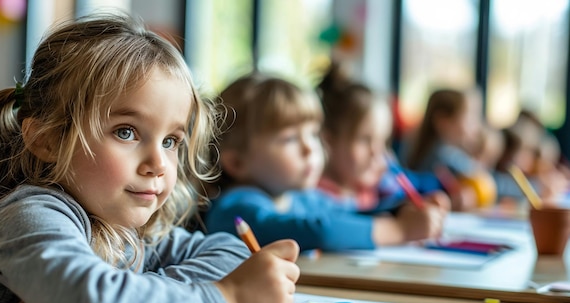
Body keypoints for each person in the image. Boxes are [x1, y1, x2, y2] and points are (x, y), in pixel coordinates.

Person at [0, 15, 300, 303]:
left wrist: (127, 300)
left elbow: (233, 254)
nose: (158, 164)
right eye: (126, 132)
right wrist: (231, 302)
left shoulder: (121, 230)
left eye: (171, 141)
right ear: (46, 140)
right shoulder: (27, 215)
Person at [204, 73, 449, 253]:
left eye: (312, 134)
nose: (310, 147)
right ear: (237, 162)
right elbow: (319, 231)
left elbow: (350, 214)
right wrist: (400, 230)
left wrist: (401, 210)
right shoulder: (235, 209)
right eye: (290, 138)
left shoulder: (303, 199)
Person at [316, 62, 449, 211]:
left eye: (384, 141)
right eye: (365, 140)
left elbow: (416, 184)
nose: (377, 152)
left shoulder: (381, 185)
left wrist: (427, 201)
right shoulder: (315, 198)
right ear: (329, 141)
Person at [403, 88, 543, 207]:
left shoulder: (438, 151)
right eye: (469, 118)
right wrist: (538, 187)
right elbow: (489, 183)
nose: (476, 127)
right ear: (443, 121)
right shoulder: (444, 155)